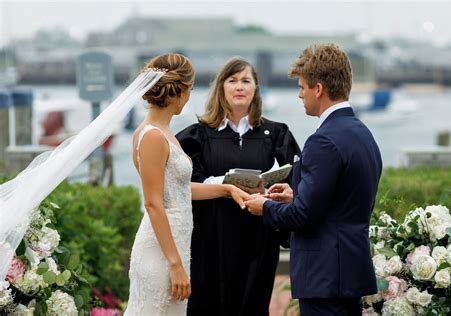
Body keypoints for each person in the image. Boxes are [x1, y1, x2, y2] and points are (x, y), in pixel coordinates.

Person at [245, 44, 383, 316]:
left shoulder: (323, 141)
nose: (299, 95)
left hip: (324, 276)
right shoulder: (362, 133)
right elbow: (342, 201)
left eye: (302, 87)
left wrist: (265, 207)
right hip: (349, 272)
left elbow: (303, 216)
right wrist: (296, 195)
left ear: (318, 89)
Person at [124, 54, 250, 316]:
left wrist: (226, 189)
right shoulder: (152, 137)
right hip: (160, 252)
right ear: (180, 91)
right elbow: (153, 202)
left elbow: (177, 191)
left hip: (175, 247)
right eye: (190, 90)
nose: (190, 96)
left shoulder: (163, 132)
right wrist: (175, 264)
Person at [176, 57, 301, 315]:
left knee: (253, 304)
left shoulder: (276, 133)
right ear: (221, 87)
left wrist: (282, 192)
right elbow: (184, 184)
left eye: (246, 81)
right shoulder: (198, 135)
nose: (239, 87)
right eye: (232, 81)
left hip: (258, 237)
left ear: (256, 88)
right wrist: (225, 184)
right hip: (211, 237)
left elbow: (297, 178)